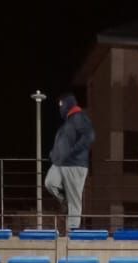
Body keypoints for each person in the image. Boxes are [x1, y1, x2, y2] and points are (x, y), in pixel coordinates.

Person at [46, 93, 95, 233]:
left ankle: (72, 231)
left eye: (62, 106)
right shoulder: (67, 123)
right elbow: (63, 143)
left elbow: (89, 136)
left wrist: (73, 151)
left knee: (74, 197)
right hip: (61, 163)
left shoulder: (79, 117)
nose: (60, 109)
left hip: (75, 164)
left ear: (68, 105)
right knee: (50, 182)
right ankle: (64, 201)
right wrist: (54, 154)